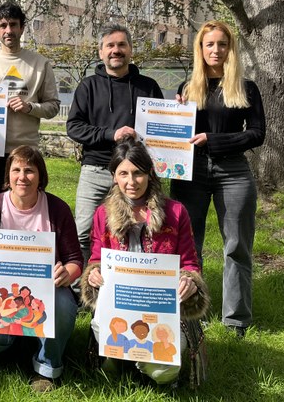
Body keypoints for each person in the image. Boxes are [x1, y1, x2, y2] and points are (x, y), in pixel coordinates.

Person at [81, 137, 209, 386]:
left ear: (150, 174)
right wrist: (94, 273)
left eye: (138, 173)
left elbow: (190, 262)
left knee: (165, 373)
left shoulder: (175, 212)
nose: (131, 182)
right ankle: (123, 358)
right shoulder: (102, 214)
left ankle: (132, 361)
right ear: (114, 177)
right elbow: (97, 257)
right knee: (100, 326)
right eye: (123, 174)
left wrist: (190, 281)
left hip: (161, 308)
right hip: (120, 305)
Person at [170, 20, 265, 338]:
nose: (215, 50)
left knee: (236, 246)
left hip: (233, 173)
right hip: (190, 173)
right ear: (200, 48)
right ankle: (190, 311)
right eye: (209, 44)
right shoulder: (186, 88)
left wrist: (214, 140)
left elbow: (256, 133)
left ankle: (236, 319)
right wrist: (173, 113)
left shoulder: (245, 87)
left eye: (222, 44)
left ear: (230, 48)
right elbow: (174, 132)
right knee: (188, 246)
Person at [0, 146, 82, 392]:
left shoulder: (57, 209)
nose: (22, 177)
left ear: (40, 176)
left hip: (48, 290)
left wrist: (67, 273)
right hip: (3, 295)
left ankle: (47, 365)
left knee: (63, 305)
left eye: (29, 170)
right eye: (16, 170)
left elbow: (75, 260)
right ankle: (19, 341)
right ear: (8, 175)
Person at [67, 23, 163, 263]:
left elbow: (164, 125)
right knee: (83, 234)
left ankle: (129, 286)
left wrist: (180, 109)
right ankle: (83, 293)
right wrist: (111, 134)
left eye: (121, 45)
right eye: (110, 45)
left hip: (137, 175)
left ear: (130, 50)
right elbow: (74, 127)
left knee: (139, 233)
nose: (116, 50)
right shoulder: (88, 86)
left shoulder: (148, 86)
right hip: (96, 170)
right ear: (101, 52)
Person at [0, 2, 60, 201]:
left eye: (13, 24)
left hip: (26, 150)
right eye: (3, 25)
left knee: (28, 210)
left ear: (22, 28)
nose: (8, 30)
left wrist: (30, 107)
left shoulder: (40, 64)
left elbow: (53, 106)